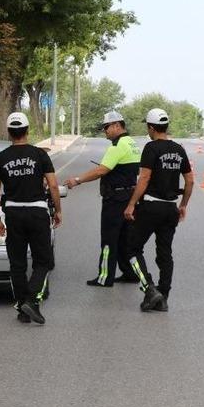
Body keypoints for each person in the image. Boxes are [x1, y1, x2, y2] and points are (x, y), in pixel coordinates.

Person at [0, 112, 62, 325]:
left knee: (18, 263)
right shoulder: (40, 155)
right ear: (27, 131)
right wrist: (58, 210)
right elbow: (54, 185)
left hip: (13, 214)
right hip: (38, 213)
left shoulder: (1, 158)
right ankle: (31, 300)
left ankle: (22, 308)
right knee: (44, 261)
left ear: (9, 132)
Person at [122, 108, 194, 312]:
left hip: (151, 207)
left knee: (132, 249)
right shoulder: (179, 150)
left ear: (151, 128)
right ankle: (163, 297)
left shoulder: (151, 148)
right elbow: (189, 180)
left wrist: (131, 204)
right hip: (171, 209)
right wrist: (183, 205)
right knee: (165, 253)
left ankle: (149, 289)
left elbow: (144, 179)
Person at [64, 111, 145, 287]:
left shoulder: (117, 146)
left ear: (117, 125)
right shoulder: (132, 143)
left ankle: (105, 277)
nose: (105, 131)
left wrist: (77, 180)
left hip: (115, 199)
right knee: (125, 239)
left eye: (106, 127)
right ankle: (129, 273)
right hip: (129, 197)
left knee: (109, 239)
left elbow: (101, 170)